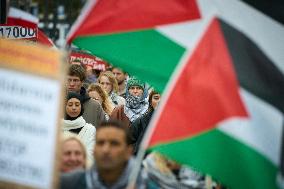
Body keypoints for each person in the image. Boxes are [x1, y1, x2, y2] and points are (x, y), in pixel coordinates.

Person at [60, 120, 146, 189]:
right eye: (100, 143)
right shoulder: (68, 183)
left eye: (114, 144)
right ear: (93, 149)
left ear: (128, 152)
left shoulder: (146, 183)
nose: (105, 150)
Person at [62, 92, 96, 166]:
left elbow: (90, 154)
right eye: (70, 105)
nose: (74, 108)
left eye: (77, 105)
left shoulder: (90, 129)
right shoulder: (57, 129)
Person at [131, 90, 161, 154]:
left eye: (164, 98)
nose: (160, 101)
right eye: (156, 98)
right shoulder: (139, 122)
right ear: (150, 102)